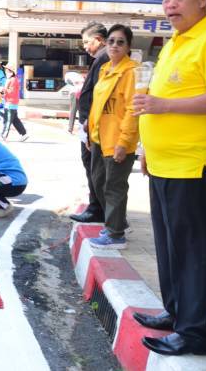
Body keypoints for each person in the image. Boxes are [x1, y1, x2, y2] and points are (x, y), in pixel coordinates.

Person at [133, 0, 206, 356]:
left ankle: (195, 332)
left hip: (196, 166)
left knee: (194, 251)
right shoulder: (176, 43)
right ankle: (177, 312)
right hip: (165, 163)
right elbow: (160, 101)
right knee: (169, 247)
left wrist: (162, 105)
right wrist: (148, 149)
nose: (170, 4)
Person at [86, 24, 139, 250]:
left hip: (118, 140)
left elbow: (132, 109)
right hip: (100, 138)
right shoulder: (105, 69)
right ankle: (117, 222)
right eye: (111, 41)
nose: (115, 46)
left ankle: (116, 235)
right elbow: (97, 104)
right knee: (98, 182)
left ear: (128, 46)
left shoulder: (132, 72)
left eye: (120, 42)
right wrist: (89, 132)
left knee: (114, 187)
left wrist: (124, 142)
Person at [69, 22, 109, 224]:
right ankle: (98, 207)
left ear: (99, 40)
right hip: (90, 125)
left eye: (86, 42)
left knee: (96, 169)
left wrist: (89, 125)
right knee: (92, 167)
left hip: (94, 127)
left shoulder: (104, 58)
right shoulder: (100, 59)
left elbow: (100, 96)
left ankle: (98, 209)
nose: (84, 47)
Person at [0, 64, 28, 141]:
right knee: (15, 120)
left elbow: (10, 92)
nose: (6, 71)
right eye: (5, 70)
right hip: (12, 102)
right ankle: (24, 134)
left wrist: (2, 92)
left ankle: (4, 134)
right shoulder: (13, 79)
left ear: (11, 72)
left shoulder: (12, 80)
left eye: (7, 70)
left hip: (10, 103)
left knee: (8, 120)